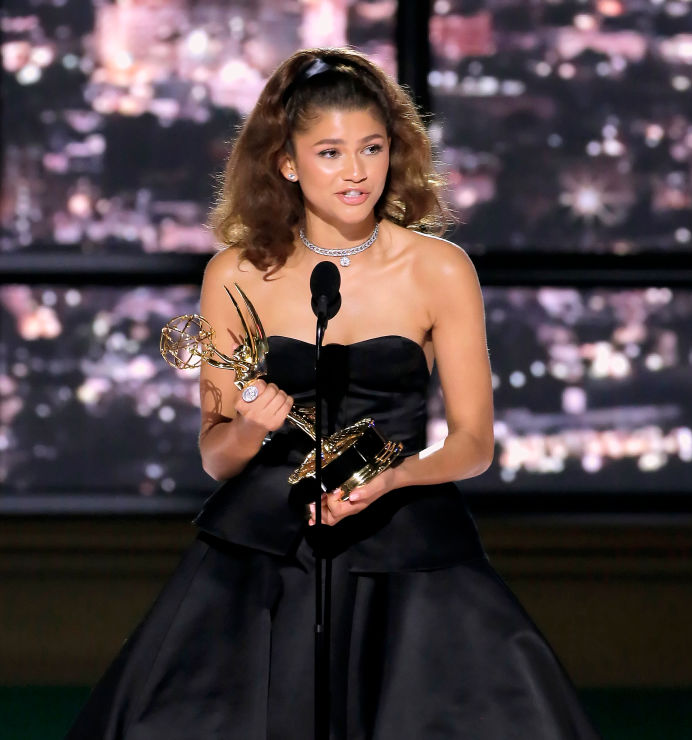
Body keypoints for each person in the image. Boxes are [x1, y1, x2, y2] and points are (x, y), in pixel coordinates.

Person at [66, 48, 599, 739]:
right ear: (287, 163)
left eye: (372, 148)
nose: (356, 172)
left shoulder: (439, 269)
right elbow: (216, 457)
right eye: (330, 152)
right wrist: (251, 426)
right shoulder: (235, 274)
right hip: (268, 554)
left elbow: (473, 444)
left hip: (405, 544)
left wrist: (393, 477)